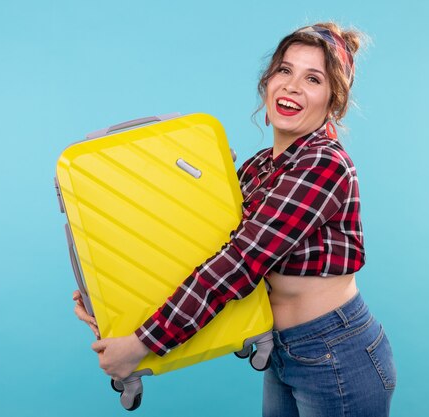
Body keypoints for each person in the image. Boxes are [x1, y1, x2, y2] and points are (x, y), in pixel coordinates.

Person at [73, 21, 396, 417]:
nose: (292, 86)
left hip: (335, 353)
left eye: (313, 78)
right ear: (267, 82)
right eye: (285, 70)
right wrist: (109, 297)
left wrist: (144, 342)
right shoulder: (259, 168)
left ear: (334, 102)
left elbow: (239, 263)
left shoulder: (324, 165)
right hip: (285, 351)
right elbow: (199, 243)